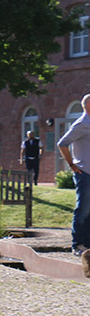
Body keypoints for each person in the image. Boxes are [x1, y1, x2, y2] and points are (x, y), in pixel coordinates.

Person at [58, 94, 90, 255]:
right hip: (84, 173)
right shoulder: (81, 124)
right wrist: (71, 164)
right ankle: (77, 244)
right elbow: (62, 143)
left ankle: (88, 245)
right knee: (83, 209)